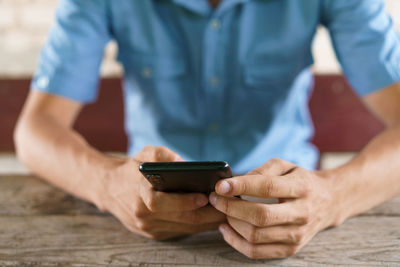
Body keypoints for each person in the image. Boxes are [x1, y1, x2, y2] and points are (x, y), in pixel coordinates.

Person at [14, 0, 400, 259]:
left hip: (294, 215)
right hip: (146, 216)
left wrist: (333, 197)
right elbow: (34, 131)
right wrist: (106, 184)